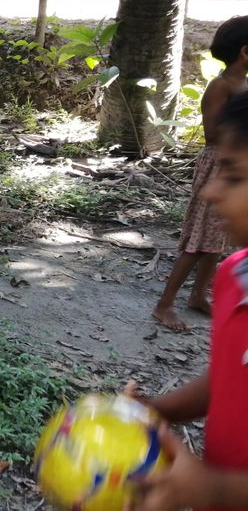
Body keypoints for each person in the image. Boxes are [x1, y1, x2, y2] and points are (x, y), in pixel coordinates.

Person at [127, 92, 248, 510]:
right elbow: (228, 380)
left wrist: (214, 490)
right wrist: (155, 412)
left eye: (234, 176)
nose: (211, 191)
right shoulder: (235, 277)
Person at [152, 15, 248, 331]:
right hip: (219, 168)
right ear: (245, 52)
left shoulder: (243, 85)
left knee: (216, 240)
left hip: (232, 168)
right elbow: (211, 133)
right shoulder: (221, 85)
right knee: (198, 241)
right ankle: (164, 305)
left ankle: (198, 296)